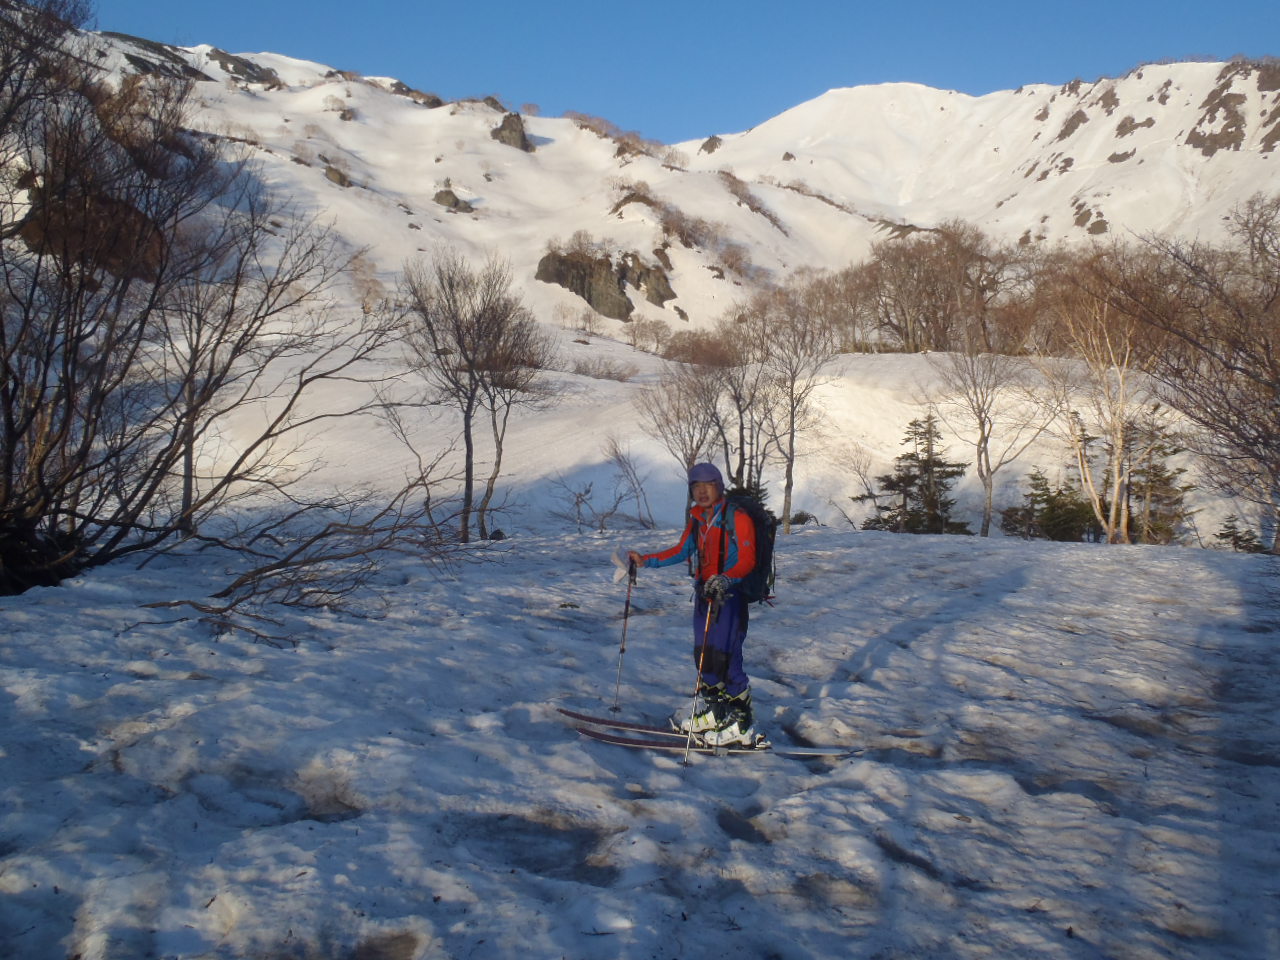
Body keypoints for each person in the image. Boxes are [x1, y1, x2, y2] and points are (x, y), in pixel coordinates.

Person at [628, 462, 759, 746]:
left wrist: (726, 578)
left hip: (730, 596)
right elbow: (681, 550)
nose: (701, 491)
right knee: (704, 655)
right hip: (704, 594)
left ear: (719, 487)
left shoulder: (737, 517)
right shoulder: (698, 519)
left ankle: (742, 724)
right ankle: (716, 713)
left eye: (707, 485)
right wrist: (646, 560)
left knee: (726, 657)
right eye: (695, 487)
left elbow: (748, 560)